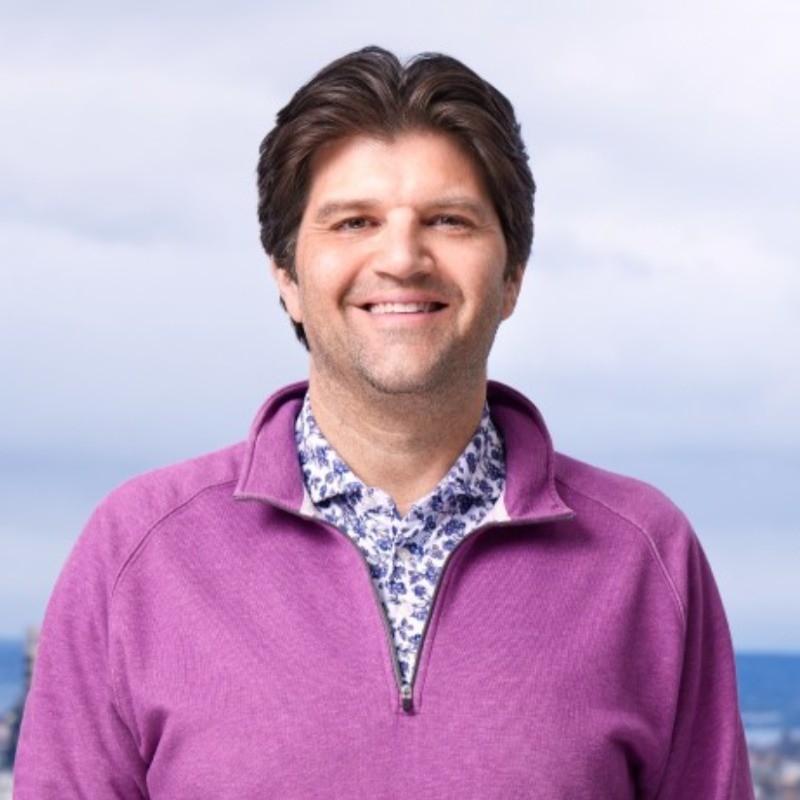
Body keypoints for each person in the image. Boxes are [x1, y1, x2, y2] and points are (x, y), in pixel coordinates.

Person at [15, 46, 754, 799]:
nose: (402, 258)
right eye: (354, 222)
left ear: (512, 276)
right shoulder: (137, 553)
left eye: (449, 220)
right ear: (286, 277)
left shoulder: (645, 557)